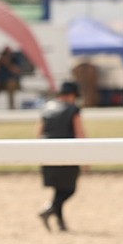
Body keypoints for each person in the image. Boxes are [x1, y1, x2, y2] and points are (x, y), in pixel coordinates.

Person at [37, 81, 86, 231]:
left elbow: (39, 132)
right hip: (68, 153)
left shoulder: (47, 107)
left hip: (48, 152)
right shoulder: (73, 110)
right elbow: (80, 133)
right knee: (69, 189)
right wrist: (86, 155)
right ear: (72, 95)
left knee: (59, 188)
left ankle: (60, 222)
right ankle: (50, 209)